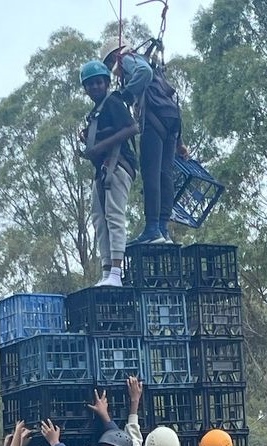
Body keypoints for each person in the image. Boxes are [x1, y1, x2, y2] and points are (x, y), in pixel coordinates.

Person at [100, 37, 188, 245]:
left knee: (151, 175)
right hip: (171, 121)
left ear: (113, 57)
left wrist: (126, 95)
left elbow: (143, 74)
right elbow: (167, 96)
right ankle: (163, 230)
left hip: (154, 120)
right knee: (165, 175)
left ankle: (152, 228)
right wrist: (179, 142)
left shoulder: (127, 58)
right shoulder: (151, 64)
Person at [79, 59, 139, 287]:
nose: (94, 87)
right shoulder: (95, 113)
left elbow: (133, 127)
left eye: (98, 83)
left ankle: (116, 270)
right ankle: (106, 271)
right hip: (102, 170)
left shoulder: (113, 102)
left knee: (114, 215)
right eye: (90, 84)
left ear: (106, 82)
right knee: (99, 219)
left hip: (118, 164)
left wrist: (99, 146)